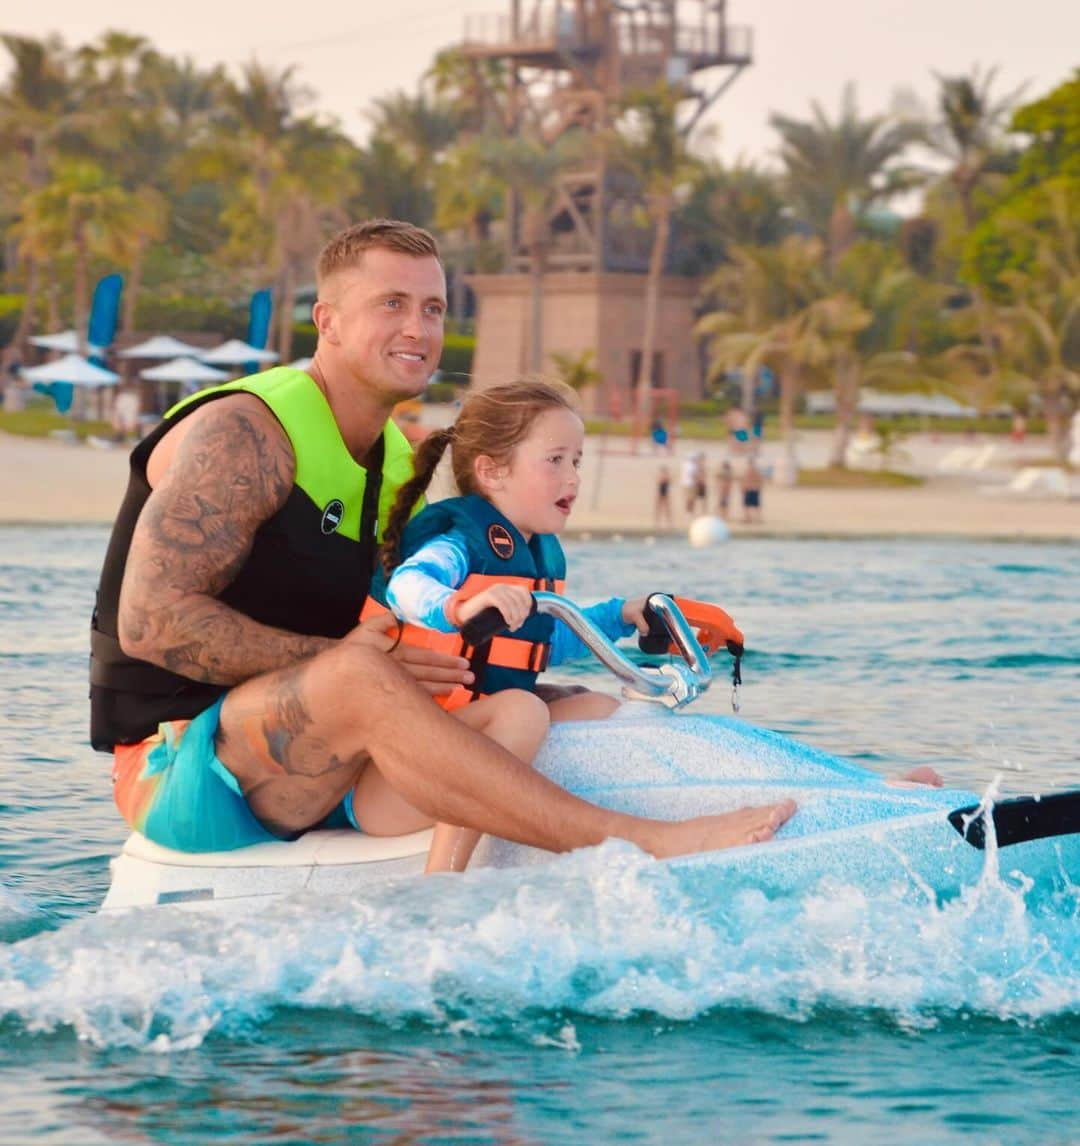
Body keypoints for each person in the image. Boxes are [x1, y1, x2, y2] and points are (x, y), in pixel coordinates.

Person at [89, 218, 795, 865]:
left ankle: (829, 791)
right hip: (183, 768)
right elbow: (151, 624)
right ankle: (642, 842)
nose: (419, 328)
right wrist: (362, 660)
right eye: (391, 303)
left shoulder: (400, 464)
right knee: (361, 673)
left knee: (553, 699)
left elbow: (418, 626)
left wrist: (615, 621)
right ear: (326, 320)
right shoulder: (245, 434)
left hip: (326, 757)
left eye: (433, 309)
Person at [367, 379, 664, 870]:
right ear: (492, 471)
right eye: (555, 460)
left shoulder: (531, 554)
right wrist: (458, 608)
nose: (572, 477)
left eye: (577, 461)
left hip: (457, 752)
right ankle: (442, 876)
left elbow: (545, 643)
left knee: (597, 706)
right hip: (397, 775)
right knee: (523, 711)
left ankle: (585, 826)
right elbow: (408, 585)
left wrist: (620, 616)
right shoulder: (460, 542)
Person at [681, 450, 707, 516]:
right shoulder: (691, 465)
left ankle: (689, 511)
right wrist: (698, 481)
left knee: (691, 498)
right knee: (690, 498)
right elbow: (694, 475)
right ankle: (689, 511)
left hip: (689, 484)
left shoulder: (687, 464)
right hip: (690, 484)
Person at [742, 455, 763, 524]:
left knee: (755, 505)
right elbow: (744, 480)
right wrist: (743, 488)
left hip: (753, 489)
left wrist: (757, 486)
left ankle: (757, 518)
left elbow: (760, 480)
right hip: (749, 489)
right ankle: (748, 518)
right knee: (747, 505)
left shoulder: (755, 471)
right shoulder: (746, 471)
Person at [655, 463, 673, 528]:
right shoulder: (660, 477)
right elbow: (658, 483)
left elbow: (670, 483)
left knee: (667, 508)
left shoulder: (667, 477)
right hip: (660, 493)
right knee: (659, 508)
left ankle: (669, 523)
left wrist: (666, 479)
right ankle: (657, 523)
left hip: (665, 493)